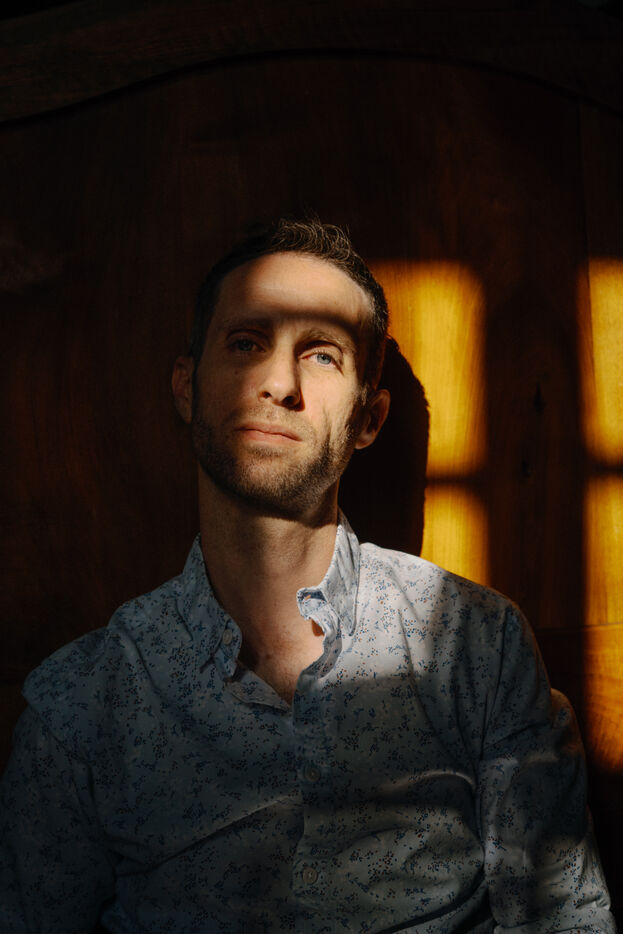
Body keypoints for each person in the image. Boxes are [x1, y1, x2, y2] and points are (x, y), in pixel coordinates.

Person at [0, 218, 615, 934]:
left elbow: (562, 921)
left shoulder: (479, 644)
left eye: (321, 354)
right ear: (187, 387)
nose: (278, 384)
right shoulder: (81, 704)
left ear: (368, 419)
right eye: (245, 343)